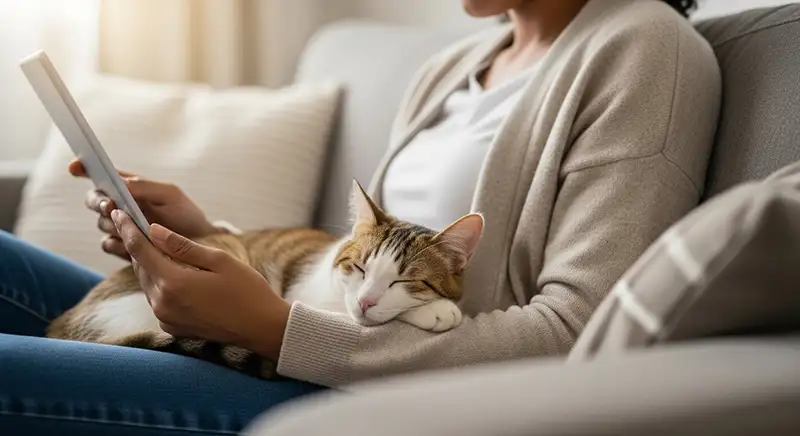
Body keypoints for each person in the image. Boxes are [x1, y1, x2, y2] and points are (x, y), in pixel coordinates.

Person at [0, 0, 719, 433]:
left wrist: (274, 331)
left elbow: (579, 332)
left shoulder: (644, 48)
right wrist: (211, 238)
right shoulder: (455, 64)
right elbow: (366, 255)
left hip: (345, 389)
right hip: (294, 339)